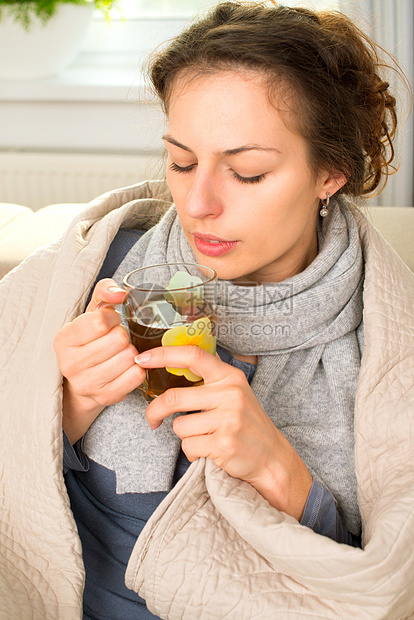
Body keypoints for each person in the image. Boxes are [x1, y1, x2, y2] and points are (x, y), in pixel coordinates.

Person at [1, 2, 413, 618]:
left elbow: (379, 589)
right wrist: (62, 409)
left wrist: (280, 473)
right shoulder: (96, 271)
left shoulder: (384, 345)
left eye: (246, 173)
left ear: (331, 171)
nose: (197, 204)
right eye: (181, 161)